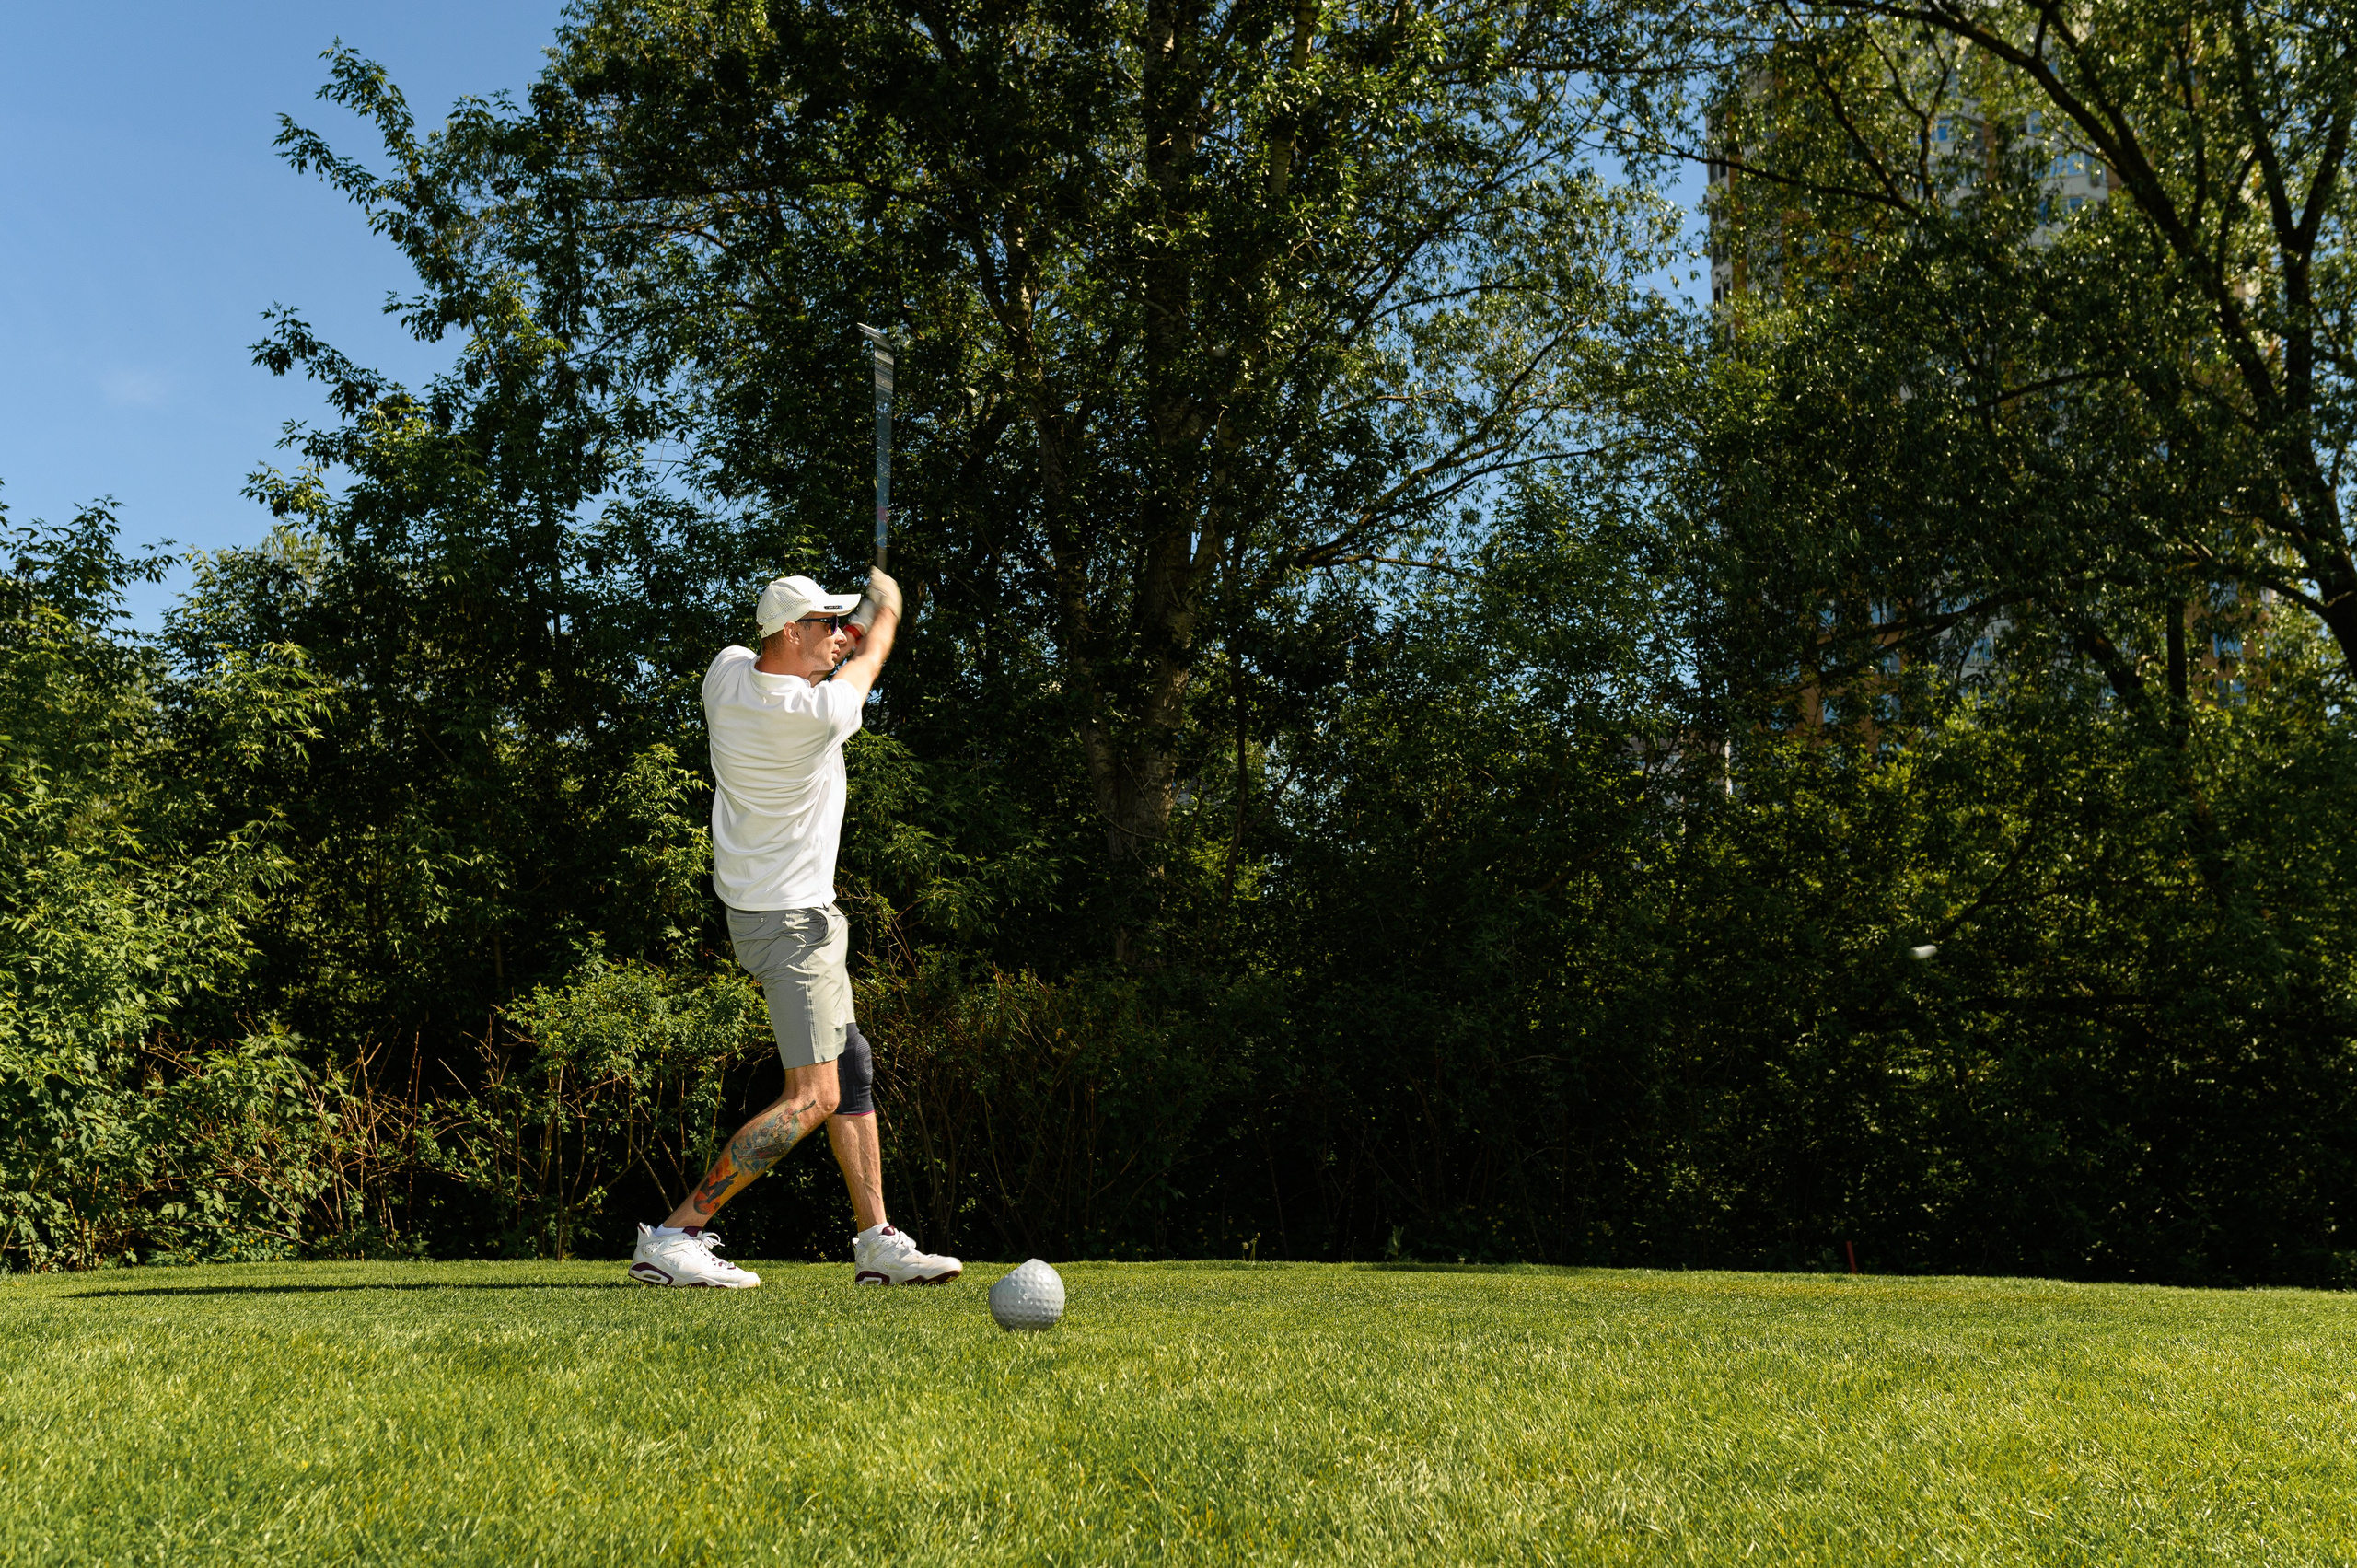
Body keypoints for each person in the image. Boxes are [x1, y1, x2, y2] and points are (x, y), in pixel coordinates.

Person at [627, 569, 961, 1290]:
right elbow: (870, 659)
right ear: (790, 633)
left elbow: (835, 657)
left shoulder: (727, 674)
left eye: (841, 624)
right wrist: (887, 609)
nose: (839, 636)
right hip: (793, 921)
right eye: (825, 624)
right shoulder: (812, 715)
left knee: (852, 1065)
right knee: (813, 1096)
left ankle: (876, 1238)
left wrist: (850, 622)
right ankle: (673, 1234)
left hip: (770, 908)